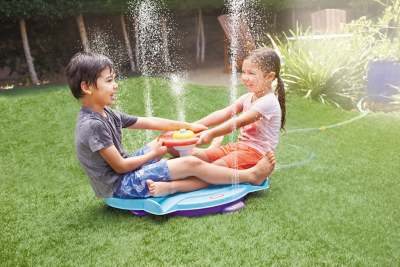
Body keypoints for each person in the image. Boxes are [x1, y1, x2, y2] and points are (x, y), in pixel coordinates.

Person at [66, 51, 276, 199]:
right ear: (86, 87)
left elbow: (152, 122)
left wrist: (188, 127)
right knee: (189, 163)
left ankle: (207, 159)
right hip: (121, 186)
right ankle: (251, 176)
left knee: (165, 141)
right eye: (109, 81)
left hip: (126, 174)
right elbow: (119, 167)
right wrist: (153, 153)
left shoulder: (106, 114)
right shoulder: (92, 125)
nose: (116, 85)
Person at [192, 47, 286, 172]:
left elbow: (239, 121)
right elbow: (223, 113)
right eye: (243, 72)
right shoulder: (247, 97)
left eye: (251, 73)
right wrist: (193, 126)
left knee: (209, 169)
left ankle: (170, 187)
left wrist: (211, 133)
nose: (245, 77)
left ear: (269, 77)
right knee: (193, 157)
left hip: (256, 154)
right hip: (238, 148)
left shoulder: (268, 102)